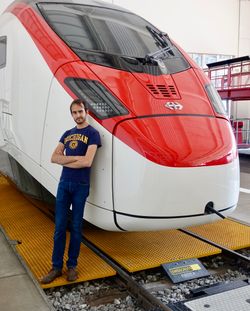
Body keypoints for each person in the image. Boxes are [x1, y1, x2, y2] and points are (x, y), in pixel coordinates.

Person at [41, 99, 101, 284]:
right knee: (59, 227)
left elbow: (87, 162)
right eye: (74, 113)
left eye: (80, 111)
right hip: (64, 184)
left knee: (75, 227)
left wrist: (66, 158)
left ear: (86, 111)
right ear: (72, 114)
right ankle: (56, 267)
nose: (78, 115)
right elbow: (53, 157)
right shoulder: (67, 134)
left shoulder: (93, 134)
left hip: (80, 186)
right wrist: (75, 158)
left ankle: (72, 266)